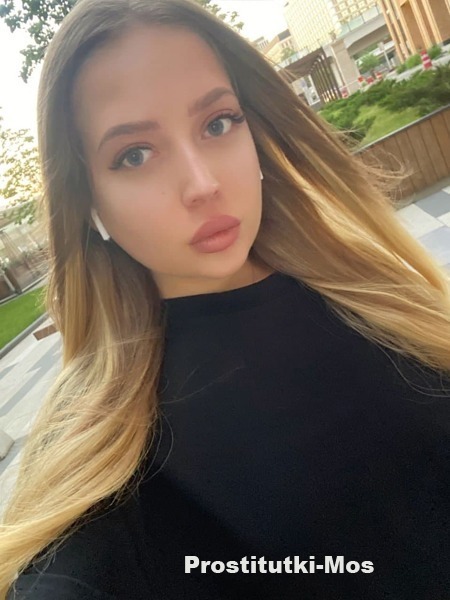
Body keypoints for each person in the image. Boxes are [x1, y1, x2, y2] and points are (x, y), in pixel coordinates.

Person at [1, 0, 449, 598]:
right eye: (134, 154)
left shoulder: (372, 285)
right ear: (86, 203)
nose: (203, 183)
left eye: (218, 123)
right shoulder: (106, 446)